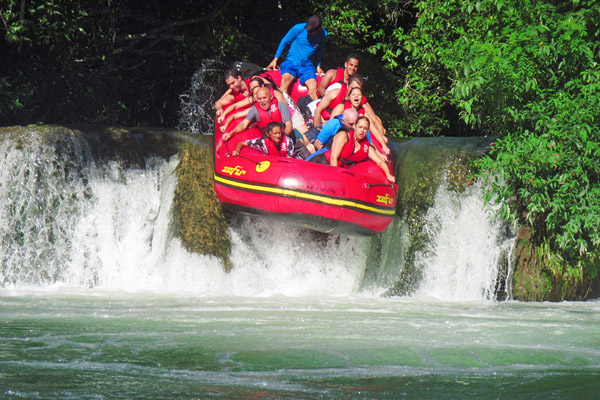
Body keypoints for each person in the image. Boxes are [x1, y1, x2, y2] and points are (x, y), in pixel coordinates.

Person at [266, 15, 327, 100]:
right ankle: (284, 108)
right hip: (291, 62)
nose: (308, 32)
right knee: (285, 80)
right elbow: (284, 41)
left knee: (313, 87)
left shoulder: (322, 34)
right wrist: (275, 59)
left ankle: (309, 111)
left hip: (307, 66)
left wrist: (318, 65)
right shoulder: (298, 28)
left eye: (311, 31)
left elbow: (320, 50)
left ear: (318, 29)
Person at [327, 116, 395, 182]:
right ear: (355, 126)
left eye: (365, 128)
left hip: (342, 171)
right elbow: (333, 158)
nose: (362, 131)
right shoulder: (344, 136)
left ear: (367, 131)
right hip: (326, 164)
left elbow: (380, 162)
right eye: (360, 127)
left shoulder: (366, 147)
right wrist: (335, 178)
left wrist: (388, 174)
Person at [223, 87, 293, 141]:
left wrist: (280, 138)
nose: (262, 101)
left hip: (285, 138)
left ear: (271, 97)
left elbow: (289, 126)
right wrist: (231, 133)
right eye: (259, 99)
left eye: (264, 98)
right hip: (269, 141)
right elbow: (244, 124)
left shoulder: (281, 106)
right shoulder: (255, 110)